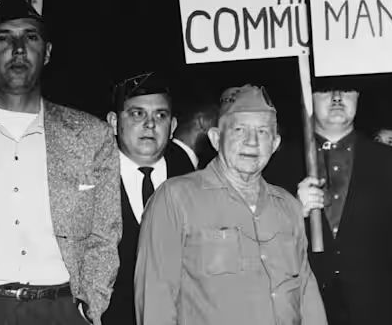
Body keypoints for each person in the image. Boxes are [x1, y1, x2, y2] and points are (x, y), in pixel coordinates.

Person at [0, 0, 120, 324]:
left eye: (31, 37)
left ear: (47, 52)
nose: (19, 49)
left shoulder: (91, 137)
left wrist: (89, 307)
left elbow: (104, 236)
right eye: (4, 38)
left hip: (62, 307)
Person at [134, 84, 326, 325]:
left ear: (275, 144)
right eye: (239, 130)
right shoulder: (175, 199)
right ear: (216, 138)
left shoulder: (288, 206)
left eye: (263, 132)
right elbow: (156, 300)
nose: (252, 143)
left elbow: (306, 292)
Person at [267, 77, 392, 325]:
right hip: (304, 310)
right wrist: (293, 211)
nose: (337, 97)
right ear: (307, 97)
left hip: (379, 311)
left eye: (346, 89)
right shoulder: (276, 166)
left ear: (358, 96)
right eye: (325, 90)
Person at [101, 71, 194, 325]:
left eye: (160, 115)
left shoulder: (193, 180)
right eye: (137, 113)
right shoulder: (91, 178)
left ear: (172, 126)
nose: (150, 124)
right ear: (112, 121)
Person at [171, 90, 220, 169]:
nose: (219, 134)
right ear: (202, 121)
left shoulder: (174, 159)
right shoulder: (177, 167)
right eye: (217, 123)